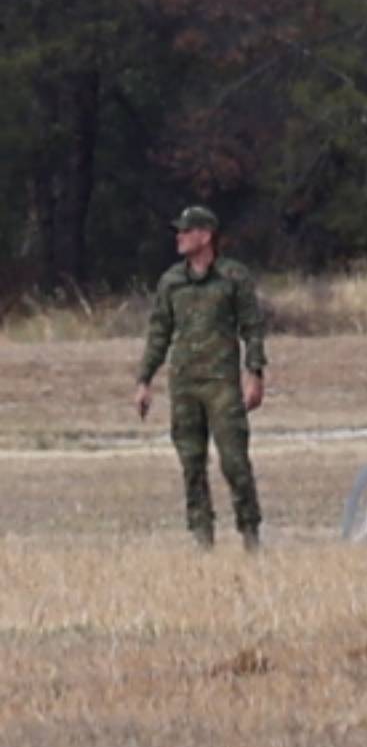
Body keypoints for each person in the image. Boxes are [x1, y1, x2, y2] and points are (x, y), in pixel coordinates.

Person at [133, 206, 268, 551]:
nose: (179, 237)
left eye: (186, 230)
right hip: (184, 385)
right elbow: (159, 333)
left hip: (222, 386)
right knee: (191, 463)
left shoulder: (233, 277)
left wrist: (254, 372)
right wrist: (144, 380)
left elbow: (252, 327)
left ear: (205, 236)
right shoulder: (171, 282)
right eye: (179, 231)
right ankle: (202, 537)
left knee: (234, 461)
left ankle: (250, 533)